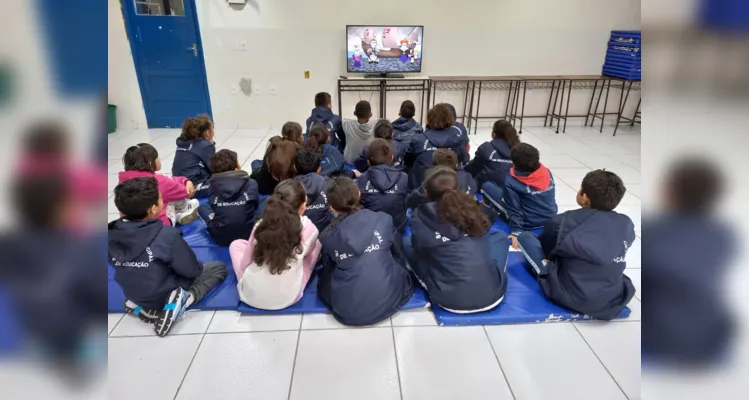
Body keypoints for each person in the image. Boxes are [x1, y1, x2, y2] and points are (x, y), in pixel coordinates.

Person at [108, 177, 227, 336]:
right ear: (153, 209)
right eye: (161, 198)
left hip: (130, 291)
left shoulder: (110, 234)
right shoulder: (166, 235)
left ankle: (141, 306)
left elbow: (116, 261)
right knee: (218, 268)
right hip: (161, 294)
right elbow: (191, 271)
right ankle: (183, 300)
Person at [517, 169, 635, 320]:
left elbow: (547, 250)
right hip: (611, 297)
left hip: (571, 294)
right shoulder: (626, 224)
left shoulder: (563, 221)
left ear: (585, 197)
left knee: (525, 238)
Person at [405, 167, 508, 313]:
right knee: (499, 238)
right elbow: (487, 223)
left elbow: (419, 246)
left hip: (448, 300)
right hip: (493, 295)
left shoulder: (422, 216)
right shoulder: (473, 207)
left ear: (426, 192)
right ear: (458, 189)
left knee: (407, 243)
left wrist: (442, 241)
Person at [318, 177, 414, 326]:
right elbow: (398, 249)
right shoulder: (383, 219)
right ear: (359, 193)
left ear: (331, 207)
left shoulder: (327, 236)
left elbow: (329, 265)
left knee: (324, 278)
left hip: (348, 311)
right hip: (390, 299)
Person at [229, 179, 323, 310]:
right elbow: (307, 254)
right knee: (316, 245)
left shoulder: (260, 226)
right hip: (289, 298)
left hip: (250, 295)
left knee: (236, 244)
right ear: (302, 207)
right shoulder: (309, 228)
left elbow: (245, 265)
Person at [119, 143, 199, 226]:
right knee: (180, 199)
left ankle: (180, 213)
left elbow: (170, 181)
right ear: (150, 162)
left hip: (130, 227)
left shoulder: (123, 182)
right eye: (157, 157)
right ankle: (181, 213)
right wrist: (186, 182)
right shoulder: (158, 181)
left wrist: (184, 180)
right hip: (160, 226)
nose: (159, 159)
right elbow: (186, 192)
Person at [197, 149, 259, 247]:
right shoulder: (251, 182)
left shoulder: (211, 185)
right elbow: (255, 204)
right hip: (250, 234)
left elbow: (214, 205)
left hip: (221, 237)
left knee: (202, 207)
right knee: (266, 201)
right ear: (237, 166)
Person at [503, 143, 558, 247]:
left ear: (514, 163)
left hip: (529, 224)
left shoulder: (510, 180)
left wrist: (517, 232)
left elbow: (513, 208)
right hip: (551, 220)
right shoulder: (547, 172)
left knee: (489, 188)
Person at [405, 104, 470, 190]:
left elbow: (407, 159)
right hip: (450, 185)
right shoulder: (458, 138)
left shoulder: (418, 139)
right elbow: (465, 159)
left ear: (428, 120)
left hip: (422, 186)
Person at [357, 139, 409, 232]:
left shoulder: (362, 179)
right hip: (397, 226)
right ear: (392, 157)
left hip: (372, 229)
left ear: (368, 161)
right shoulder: (403, 177)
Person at [406, 148, 477, 209]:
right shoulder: (468, 176)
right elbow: (474, 198)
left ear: (435, 166)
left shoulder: (432, 182)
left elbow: (412, 200)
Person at [466, 120, 519, 197]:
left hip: (485, 185)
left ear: (494, 134)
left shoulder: (486, 147)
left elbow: (474, 167)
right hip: (510, 189)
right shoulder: (519, 149)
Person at [172, 115, 216, 198]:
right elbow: (215, 169)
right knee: (227, 183)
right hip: (194, 187)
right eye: (212, 128)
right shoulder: (205, 146)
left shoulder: (184, 142)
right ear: (207, 132)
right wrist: (211, 144)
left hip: (179, 184)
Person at [294, 147, 332, 232]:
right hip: (324, 231)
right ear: (319, 169)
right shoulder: (331, 185)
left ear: (294, 167)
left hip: (297, 234)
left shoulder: (285, 189)